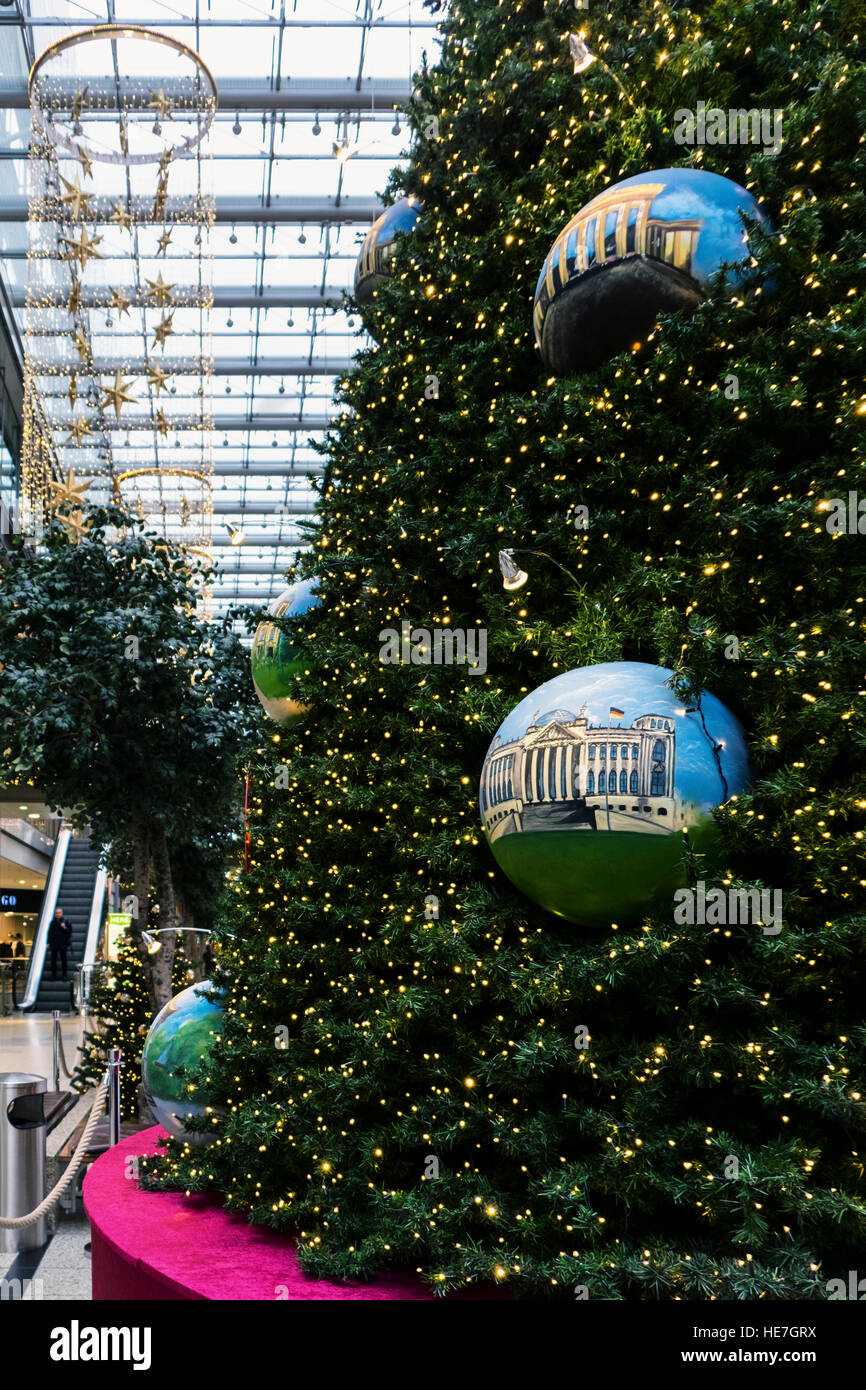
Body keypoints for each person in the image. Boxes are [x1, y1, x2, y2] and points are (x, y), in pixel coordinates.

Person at [48, 908, 71, 980]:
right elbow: (50, 933)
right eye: (56, 913)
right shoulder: (52, 922)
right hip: (54, 944)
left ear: (62, 913)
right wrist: (48, 942)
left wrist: (65, 927)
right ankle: (53, 975)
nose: (57, 914)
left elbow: (69, 932)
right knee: (53, 960)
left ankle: (64, 975)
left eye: (59, 913)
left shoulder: (66, 922)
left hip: (62, 944)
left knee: (64, 960)